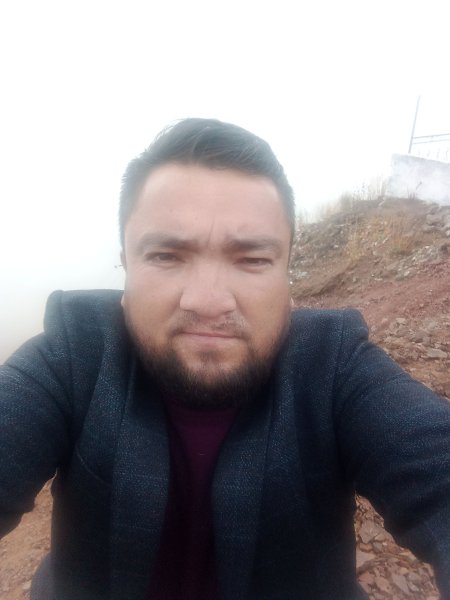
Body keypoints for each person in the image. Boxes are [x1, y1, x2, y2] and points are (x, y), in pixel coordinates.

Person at [0, 118, 449, 600]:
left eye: (252, 260)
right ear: (126, 268)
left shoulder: (334, 366)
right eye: (167, 256)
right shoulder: (73, 356)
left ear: (287, 277)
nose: (208, 301)